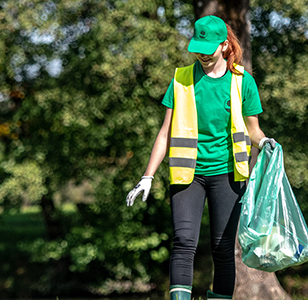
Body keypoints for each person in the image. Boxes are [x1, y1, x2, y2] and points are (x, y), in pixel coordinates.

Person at [125, 15, 275, 300]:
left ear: (224, 45)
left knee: (222, 247)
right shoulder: (181, 79)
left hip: (228, 174)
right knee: (183, 242)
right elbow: (164, 133)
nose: (203, 55)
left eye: (208, 49)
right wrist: (147, 176)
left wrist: (265, 141)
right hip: (187, 175)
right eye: (198, 48)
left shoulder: (243, 82)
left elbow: (253, 130)